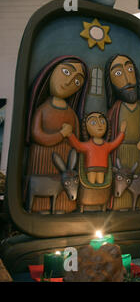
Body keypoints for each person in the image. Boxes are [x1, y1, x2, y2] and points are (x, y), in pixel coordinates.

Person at [26, 56, 88, 213]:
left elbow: (77, 143)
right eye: (66, 72)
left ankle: (63, 206)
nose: (68, 83)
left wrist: (70, 138)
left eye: (76, 81)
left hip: (66, 160)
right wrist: (60, 135)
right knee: (42, 187)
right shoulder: (42, 109)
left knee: (65, 187)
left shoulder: (72, 114)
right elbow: (36, 134)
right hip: (42, 158)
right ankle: (40, 207)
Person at [105, 54, 140, 209]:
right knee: (120, 179)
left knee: (138, 180)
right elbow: (108, 130)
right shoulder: (116, 108)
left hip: (138, 151)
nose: (127, 79)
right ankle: (120, 204)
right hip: (120, 150)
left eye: (130, 69)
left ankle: (138, 205)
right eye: (118, 73)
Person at [65, 112, 126, 184]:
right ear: (86, 128)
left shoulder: (106, 145)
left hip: (102, 168)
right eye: (93, 122)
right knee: (91, 183)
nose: (99, 125)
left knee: (100, 184)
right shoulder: (88, 145)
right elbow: (77, 145)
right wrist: (70, 134)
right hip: (91, 168)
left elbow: (115, 143)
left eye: (102, 121)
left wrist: (122, 132)